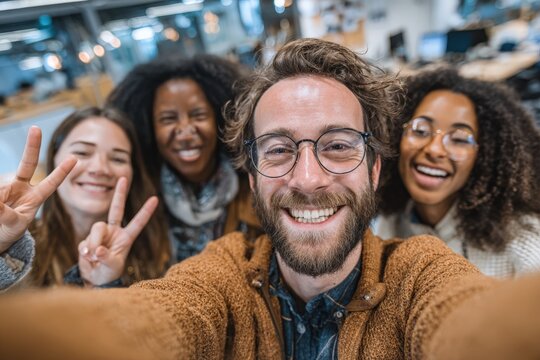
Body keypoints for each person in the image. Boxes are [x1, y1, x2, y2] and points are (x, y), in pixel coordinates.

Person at [1, 38, 540, 359]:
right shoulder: (224, 272)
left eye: (336, 145)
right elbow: (153, 319)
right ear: (253, 178)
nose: (307, 177)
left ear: (375, 170)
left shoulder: (419, 270)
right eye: (280, 149)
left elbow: (467, 321)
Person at [374, 67, 540, 278]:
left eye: (460, 139)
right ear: (396, 136)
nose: (434, 149)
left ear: (486, 155)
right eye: (420, 131)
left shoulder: (524, 245)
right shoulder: (392, 222)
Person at [106, 54, 261, 264]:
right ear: (150, 128)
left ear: (221, 120)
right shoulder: (137, 201)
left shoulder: (255, 188)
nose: (186, 132)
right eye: (168, 119)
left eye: (198, 115)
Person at [27, 107, 168, 288]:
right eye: (83, 153)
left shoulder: (156, 247)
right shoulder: (19, 247)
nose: (100, 168)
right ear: (54, 158)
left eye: (118, 159)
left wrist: (106, 284)